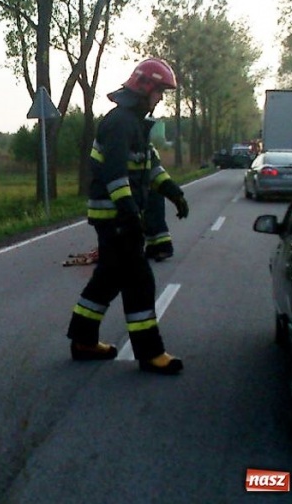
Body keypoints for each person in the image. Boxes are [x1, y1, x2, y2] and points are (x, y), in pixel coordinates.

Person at [66, 58, 189, 375]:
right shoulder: (120, 123)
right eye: (159, 91)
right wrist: (130, 213)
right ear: (145, 88)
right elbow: (115, 173)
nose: (160, 98)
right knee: (139, 282)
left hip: (117, 218)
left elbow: (150, 169)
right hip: (116, 219)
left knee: (107, 279)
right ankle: (150, 353)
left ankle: (83, 341)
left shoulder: (135, 124)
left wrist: (174, 192)